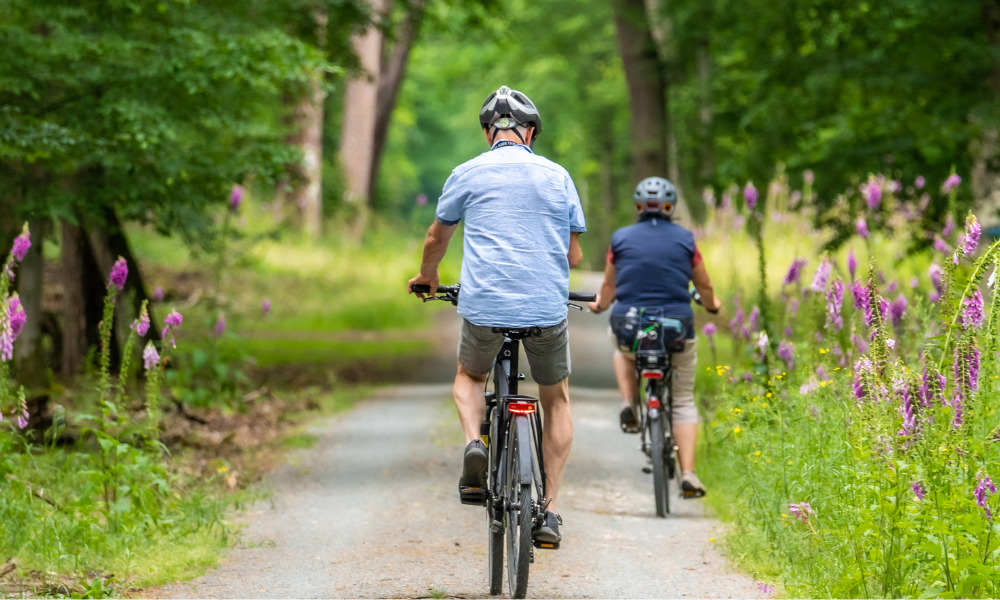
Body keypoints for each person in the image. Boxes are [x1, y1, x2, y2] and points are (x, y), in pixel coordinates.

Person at [408, 86, 586, 545]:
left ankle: (474, 444)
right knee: (557, 398)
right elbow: (575, 253)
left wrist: (429, 277)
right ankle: (549, 513)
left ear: (489, 132)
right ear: (530, 132)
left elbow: (435, 237)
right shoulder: (557, 175)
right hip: (546, 307)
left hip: (485, 305)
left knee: (470, 377)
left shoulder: (467, 172)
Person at [588, 177, 721, 498]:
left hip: (630, 326)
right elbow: (703, 285)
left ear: (638, 206)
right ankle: (688, 473)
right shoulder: (686, 239)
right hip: (676, 328)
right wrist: (713, 305)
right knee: (684, 400)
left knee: (620, 348)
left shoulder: (620, 238)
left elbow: (609, 286)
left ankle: (630, 402)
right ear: (670, 206)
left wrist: (601, 305)